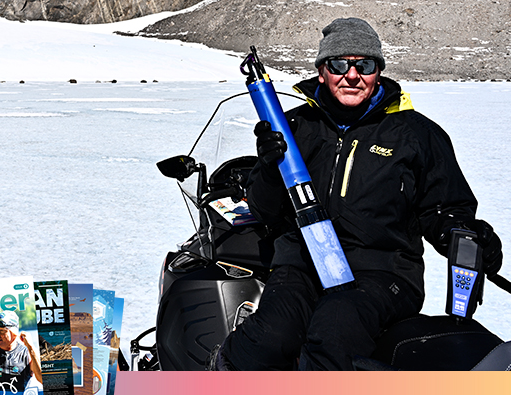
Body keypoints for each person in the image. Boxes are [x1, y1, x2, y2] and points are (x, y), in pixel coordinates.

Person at [209, 17, 503, 370]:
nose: (352, 75)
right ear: (322, 71)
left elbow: (445, 208)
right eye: (339, 64)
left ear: (377, 70)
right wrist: (271, 169)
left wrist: (465, 234)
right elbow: (264, 210)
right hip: (303, 263)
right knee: (266, 339)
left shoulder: (415, 134)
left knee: (334, 335)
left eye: (364, 65)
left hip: (381, 271)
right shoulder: (294, 126)